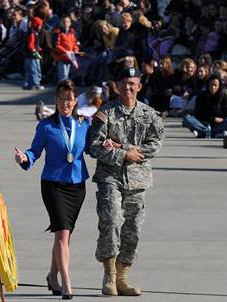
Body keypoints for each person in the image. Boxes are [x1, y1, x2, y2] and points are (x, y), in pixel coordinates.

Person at [89, 67, 164, 296]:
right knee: (111, 221)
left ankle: (123, 277)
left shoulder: (150, 115)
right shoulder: (106, 113)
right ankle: (109, 275)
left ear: (139, 87)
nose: (128, 87)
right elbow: (93, 146)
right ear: (117, 86)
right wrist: (122, 155)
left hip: (138, 180)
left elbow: (155, 144)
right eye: (124, 83)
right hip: (110, 177)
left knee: (133, 228)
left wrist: (124, 148)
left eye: (133, 83)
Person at [15, 80, 90, 300]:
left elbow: (93, 147)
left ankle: (52, 276)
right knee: (62, 232)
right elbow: (34, 151)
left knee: (64, 237)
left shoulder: (84, 124)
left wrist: (107, 144)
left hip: (77, 186)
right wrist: (24, 158)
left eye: (68, 99)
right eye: (60, 100)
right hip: (53, 185)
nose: (64, 103)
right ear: (55, 102)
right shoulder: (46, 126)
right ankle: (67, 283)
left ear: (75, 101)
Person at [182, 74, 227, 138]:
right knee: (187, 119)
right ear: (208, 85)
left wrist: (221, 119)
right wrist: (213, 119)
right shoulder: (201, 96)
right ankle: (212, 134)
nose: (213, 87)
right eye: (211, 85)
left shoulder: (224, 97)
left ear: (219, 86)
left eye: (215, 85)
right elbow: (198, 114)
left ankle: (204, 133)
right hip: (204, 123)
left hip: (220, 124)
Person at [22, 16, 45, 90]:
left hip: (28, 56)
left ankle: (29, 84)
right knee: (35, 70)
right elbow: (31, 45)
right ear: (35, 25)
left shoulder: (32, 33)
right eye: (39, 26)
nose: (40, 27)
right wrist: (35, 51)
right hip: (32, 56)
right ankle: (36, 84)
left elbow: (33, 44)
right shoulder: (32, 34)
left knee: (29, 71)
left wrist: (38, 48)